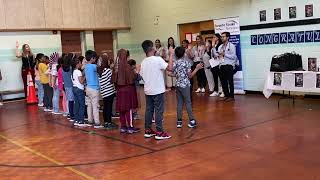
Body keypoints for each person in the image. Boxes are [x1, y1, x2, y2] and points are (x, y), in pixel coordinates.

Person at [140, 40, 174, 140]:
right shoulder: (157, 59)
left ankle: (148, 130)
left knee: (149, 110)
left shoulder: (143, 62)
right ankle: (160, 132)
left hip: (148, 90)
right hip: (158, 90)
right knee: (159, 111)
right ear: (152, 48)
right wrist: (171, 54)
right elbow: (170, 68)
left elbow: (141, 76)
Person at [171, 47, 203, 128]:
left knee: (179, 103)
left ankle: (179, 122)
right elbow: (190, 76)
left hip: (178, 85)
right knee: (188, 103)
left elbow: (174, 74)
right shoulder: (186, 63)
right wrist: (197, 68)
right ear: (184, 54)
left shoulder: (175, 63)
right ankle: (192, 121)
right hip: (185, 85)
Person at [113, 49, 139, 134]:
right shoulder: (127, 66)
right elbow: (133, 78)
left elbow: (113, 80)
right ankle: (130, 127)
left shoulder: (115, 67)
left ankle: (123, 127)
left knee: (121, 109)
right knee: (129, 109)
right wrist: (136, 72)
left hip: (119, 91)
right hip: (128, 91)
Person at [213, 32, 238, 102]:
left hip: (229, 65)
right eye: (221, 37)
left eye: (223, 36)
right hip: (222, 65)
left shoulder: (232, 46)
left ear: (227, 37)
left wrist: (225, 54)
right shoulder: (220, 46)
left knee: (230, 81)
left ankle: (231, 96)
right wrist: (214, 47)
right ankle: (226, 95)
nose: (222, 38)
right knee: (223, 82)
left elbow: (233, 57)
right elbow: (216, 55)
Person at [98, 53, 118, 130]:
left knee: (105, 107)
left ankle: (106, 122)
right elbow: (112, 80)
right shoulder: (107, 70)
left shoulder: (99, 70)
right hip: (109, 92)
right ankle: (109, 123)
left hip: (103, 92)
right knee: (109, 108)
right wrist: (114, 71)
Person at [84, 50, 103, 129]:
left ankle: (90, 120)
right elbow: (100, 70)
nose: (95, 59)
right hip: (94, 89)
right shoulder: (94, 66)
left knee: (89, 106)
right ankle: (97, 122)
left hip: (88, 88)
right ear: (92, 58)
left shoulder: (86, 66)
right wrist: (100, 62)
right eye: (95, 58)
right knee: (95, 106)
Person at [72, 57, 88, 127]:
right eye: (80, 63)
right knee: (82, 105)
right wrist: (85, 75)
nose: (81, 64)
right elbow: (81, 81)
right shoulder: (78, 72)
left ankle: (76, 120)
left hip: (74, 88)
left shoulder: (72, 71)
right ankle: (81, 121)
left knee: (77, 104)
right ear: (77, 64)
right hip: (79, 89)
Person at [210, 33, 224, 97]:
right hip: (214, 63)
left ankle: (224, 91)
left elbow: (217, 55)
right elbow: (212, 55)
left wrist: (213, 47)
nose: (213, 39)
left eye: (214, 37)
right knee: (215, 77)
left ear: (217, 38)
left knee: (221, 78)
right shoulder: (214, 45)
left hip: (219, 63)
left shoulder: (220, 45)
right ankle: (216, 91)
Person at [62, 53, 75, 121]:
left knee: (69, 100)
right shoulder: (70, 68)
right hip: (71, 85)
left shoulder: (62, 68)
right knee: (71, 101)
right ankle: (72, 115)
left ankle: (70, 114)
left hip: (66, 86)